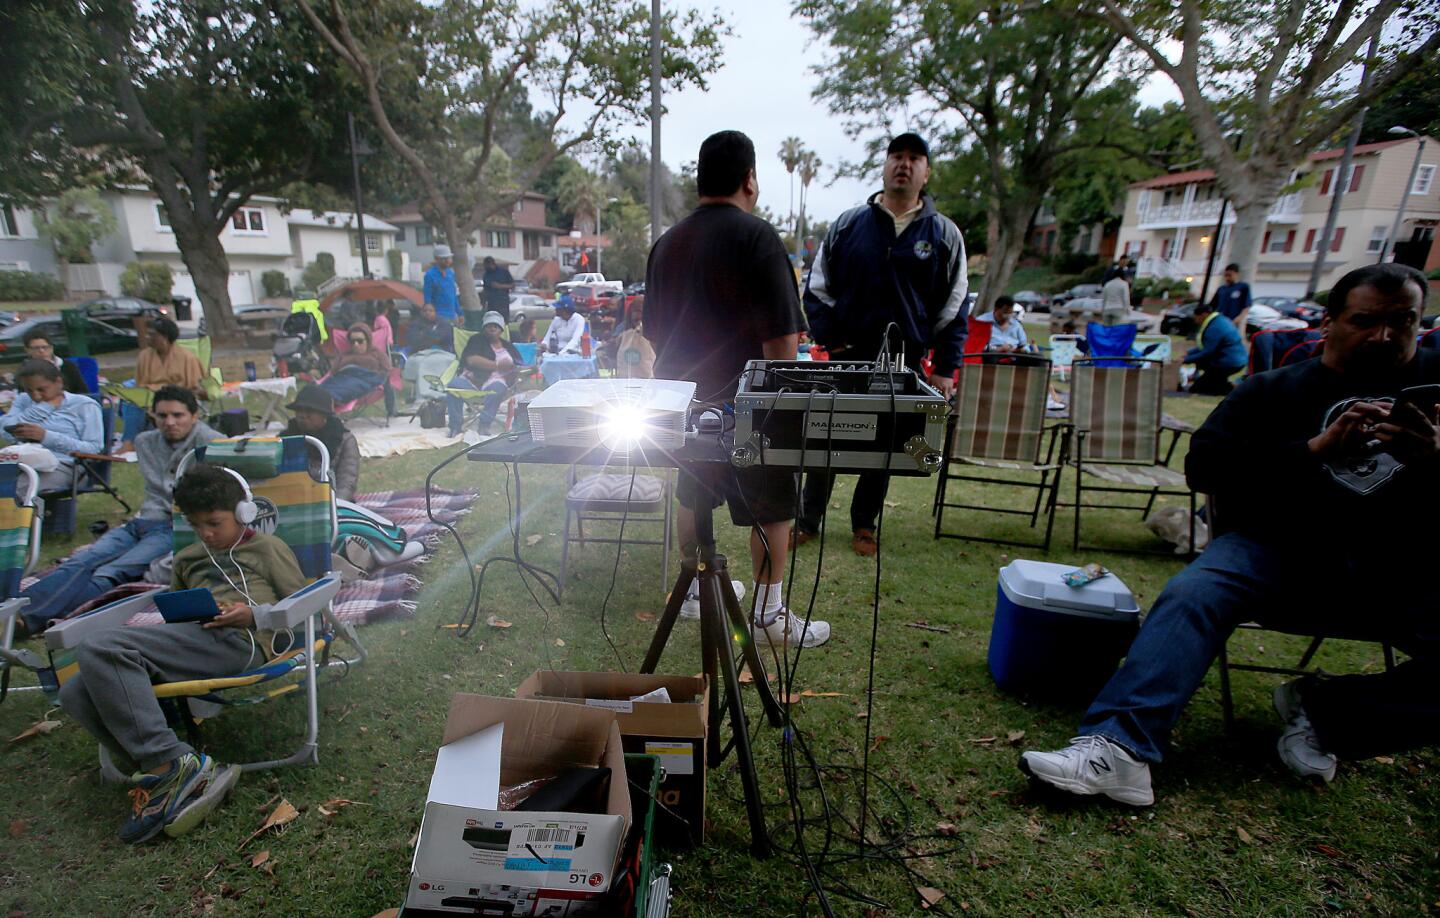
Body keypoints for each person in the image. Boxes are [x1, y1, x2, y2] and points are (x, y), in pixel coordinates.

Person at [1019, 263, 1439, 806]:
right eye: (1366, 321)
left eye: (1403, 321)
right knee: (1195, 593)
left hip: (1407, 562)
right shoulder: (1275, 390)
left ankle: (1331, 715)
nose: (1384, 336)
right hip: (1277, 548)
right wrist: (1311, 451)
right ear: (1330, 323)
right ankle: (1119, 749)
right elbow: (1205, 469)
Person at [57, 464, 309, 843]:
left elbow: (304, 604)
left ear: (243, 513)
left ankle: (170, 764)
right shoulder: (189, 557)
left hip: (240, 643)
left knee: (99, 645)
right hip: (192, 642)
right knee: (75, 689)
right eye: (196, 525)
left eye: (215, 523)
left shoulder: (267, 549)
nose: (206, 533)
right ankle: (162, 771)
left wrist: (252, 615)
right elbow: (174, 606)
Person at [645, 129, 827, 649]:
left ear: (701, 179)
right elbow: (783, 339)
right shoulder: (758, 238)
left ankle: (697, 593)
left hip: (683, 406)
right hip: (749, 407)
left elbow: (655, 334)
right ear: (750, 179)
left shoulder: (666, 245)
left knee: (691, 491)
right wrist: (777, 404)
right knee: (771, 507)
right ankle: (768, 614)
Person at [797, 131, 968, 557]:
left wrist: (946, 367)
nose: (903, 164)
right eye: (897, 156)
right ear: (886, 165)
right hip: (846, 357)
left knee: (886, 446)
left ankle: (864, 524)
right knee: (825, 437)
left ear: (926, 173)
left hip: (905, 361)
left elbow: (955, 305)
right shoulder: (848, 224)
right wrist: (833, 342)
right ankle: (807, 518)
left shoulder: (944, 234)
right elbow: (817, 290)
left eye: (914, 158)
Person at [14, 386, 218, 636]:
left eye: (178, 415)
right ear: (152, 415)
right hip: (143, 521)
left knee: (110, 572)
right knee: (82, 561)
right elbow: (157, 489)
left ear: (194, 415)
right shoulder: (146, 442)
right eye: (162, 416)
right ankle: (14, 610)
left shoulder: (211, 443)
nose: (170, 422)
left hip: (174, 524)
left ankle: (28, 620)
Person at [0, 360, 103, 492]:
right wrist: (45, 407)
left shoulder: (83, 405)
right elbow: (6, 429)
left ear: (58, 382)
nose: (36, 396)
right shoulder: (24, 399)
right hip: (24, 461)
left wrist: (46, 437)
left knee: (18, 488)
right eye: (29, 390)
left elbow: (93, 449)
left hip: (64, 465)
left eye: (41, 389)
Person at [121, 318, 205, 450]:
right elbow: (139, 384)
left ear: (164, 337)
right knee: (131, 402)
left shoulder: (187, 357)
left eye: (152, 334)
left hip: (178, 398)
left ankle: (131, 442)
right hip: (149, 397)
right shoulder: (144, 356)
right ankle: (128, 442)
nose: (147, 337)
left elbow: (195, 387)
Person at [446, 311, 521, 437]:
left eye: (496, 326)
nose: (492, 328)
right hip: (472, 379)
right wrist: (497, 365)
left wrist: (530, 369)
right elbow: (471, 360)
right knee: (453, 386)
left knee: (497, 389)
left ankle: (484, 425)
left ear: (501, 330)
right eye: (489, 326)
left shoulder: (508, 346)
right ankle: (455, 426)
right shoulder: (476, 340)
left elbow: (519, 365)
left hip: (496, 381)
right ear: (484, 328)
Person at [283, 384, 359, 502]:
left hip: (330, 501)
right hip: (292, 500)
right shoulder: (285, 438)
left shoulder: (344, 440)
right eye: (299, 411)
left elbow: (346, 482)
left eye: (309, 411)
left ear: (324, 415)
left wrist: (336, 506)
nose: (303, 416)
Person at [1182, 299, 1248, 396]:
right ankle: (1224, 384)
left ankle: (1234, 389)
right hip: (1231, 359)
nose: (1196, 321)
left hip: (1228, 362)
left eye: (1196, 318)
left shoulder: (1215, 327)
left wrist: (1186, 360)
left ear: (1203, 315)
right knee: (1209, 381)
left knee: (1199, 388)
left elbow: (1208, 352)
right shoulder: (1218, 320)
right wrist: (1189, 353)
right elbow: (1205, 346)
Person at [318, 323, 390, 405]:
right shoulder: (344, 355)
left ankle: (329, 400)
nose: (356, 344)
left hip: (364, 380)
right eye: (352, 342)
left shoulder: (377, 354)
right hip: (342, 378)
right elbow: (334, 371)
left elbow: (385, 372)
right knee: (319, 390)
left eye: (360, 341)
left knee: (334, 392)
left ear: (368, 340)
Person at [402, 301, 456, 404]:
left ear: (435, 312)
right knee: (423, 363)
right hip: (421, 353)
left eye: (430, 311)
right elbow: (413, 340)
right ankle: (424, 394)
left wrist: (425, 335)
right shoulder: (416, 324)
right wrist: (433, 336)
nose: (428, 313)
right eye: (425, 311)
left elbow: (445, 337)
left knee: (448, 362)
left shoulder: (444, 323)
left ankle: (444, 393)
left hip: (442, 353)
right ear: (422, 312)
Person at [22, 328, 88, 393]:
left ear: (51, 348)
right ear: (27, 350)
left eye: (45, 347)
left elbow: (82, 390)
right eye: (36, 348)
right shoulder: (25, 370)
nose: (41, 351)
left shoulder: (67, 366)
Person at [424, 245, 461, 326]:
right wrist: (430, 314)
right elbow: (427, 298)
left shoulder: (450, 273)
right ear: (437, 259)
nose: (447, 261)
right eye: (444, 258)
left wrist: (460, 313)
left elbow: (454, 296)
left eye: (448, 258)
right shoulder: (430, 275)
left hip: (452, 315)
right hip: (439, 315)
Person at [1210, 263, 1252, 329]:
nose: (1227, 278)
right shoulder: (1221, 289)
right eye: (1226, 275)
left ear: (1236, 274)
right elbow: (1213, 305)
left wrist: (1240, 318)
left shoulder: (1243, 287)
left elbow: (1247, 306)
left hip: (1233, 321)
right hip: (1219, 320)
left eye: (1230, 275)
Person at [481, 256, 515, 322]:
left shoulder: (504, 272)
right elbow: (485, 290)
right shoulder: (486, 275)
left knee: (504, 321)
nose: (485, 268)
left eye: (487, 266)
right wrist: (483, 304)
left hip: (503, 302)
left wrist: (500, 286)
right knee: (492, 321)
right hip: (491, 303)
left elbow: (512, 285)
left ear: (492, 264)